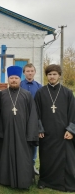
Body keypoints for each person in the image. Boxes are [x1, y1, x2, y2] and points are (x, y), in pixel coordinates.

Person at [35, 64, 75, 192]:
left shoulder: (67, 92)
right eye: (49, 74)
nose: (52, 77)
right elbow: (36, 113)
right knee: (46, 158)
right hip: (46, 134)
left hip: (63, 133)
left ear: (59, 75)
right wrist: (39, 129)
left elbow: (73, 112)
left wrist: (71, 130)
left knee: (65, 158)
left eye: (54, 74)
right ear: (47, 76)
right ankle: (44, 180)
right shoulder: (40, 92)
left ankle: (63, 182)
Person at [0, 66, 38, 189]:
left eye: (16, 78)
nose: (14, 80)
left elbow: (32, 115)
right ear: (8, 79)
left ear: (20, 79)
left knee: (23, 156)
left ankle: (23, 181)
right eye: (11, 78)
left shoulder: (26, 95)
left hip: (22, 132)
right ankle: (6, 180)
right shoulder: (2, 95)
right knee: (6, 155)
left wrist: (31, 134)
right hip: (6, 131)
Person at [20, 63, 42, 175]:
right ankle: (22, 165)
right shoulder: (19, 85)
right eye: (27, 71)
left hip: (34, 119)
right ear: (24, 73)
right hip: (21, 119)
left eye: (32, 71)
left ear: (35, 72)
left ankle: (32, 165)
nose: (30, 73)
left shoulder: (39, 87)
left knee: (33, 142)